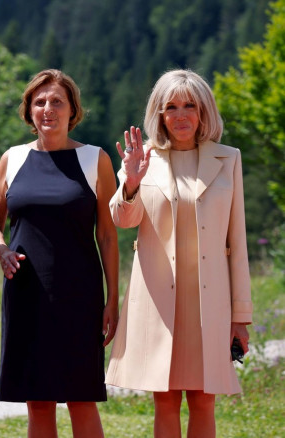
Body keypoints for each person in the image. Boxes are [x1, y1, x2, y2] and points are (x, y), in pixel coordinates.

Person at [105, 69, 252, 438]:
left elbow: (237, 244)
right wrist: (132, 183)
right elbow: (123, 220)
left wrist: (241, 316)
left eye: (190, 105)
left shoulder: (228, 159)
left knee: (204, 400)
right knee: (166, 400)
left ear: (204, 111)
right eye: (171, 107)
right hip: (158, 302)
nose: (181, 115)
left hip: (210, 304)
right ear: (159, 113)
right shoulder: (143, 160)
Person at [0, 69, 119, 438]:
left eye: (57, 101)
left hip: (81, 295)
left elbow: (108, 236)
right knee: (38, 400)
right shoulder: (11, 159)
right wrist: (0, 250)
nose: (48, 109)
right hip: (25, 292)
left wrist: (113, 301)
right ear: (28, 111)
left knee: (82, 398)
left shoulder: (96, 160)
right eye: (39, 102)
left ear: (72, 109)